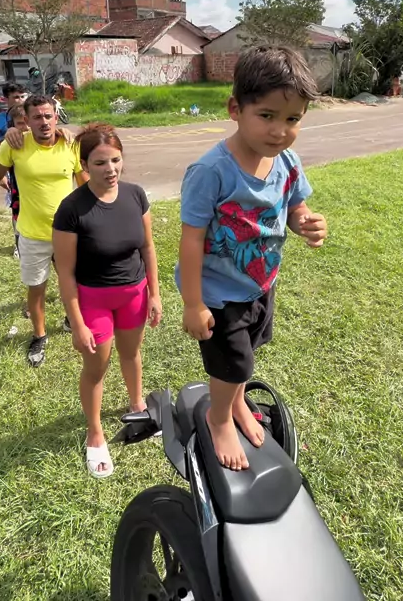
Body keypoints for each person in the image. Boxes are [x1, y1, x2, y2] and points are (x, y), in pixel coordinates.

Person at [176, 46, 328, 471]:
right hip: (219, 295)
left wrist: (305, 222)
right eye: (267, 115)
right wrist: (193, 303)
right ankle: (219, 417)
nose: (280, 131)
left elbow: (294, 207)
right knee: (232, 363)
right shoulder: (211, 171)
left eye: (293, 119)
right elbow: (191, 240)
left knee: (249, 353)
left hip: (261, 283)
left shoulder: (287, 162)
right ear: (235, 109)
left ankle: (238, 402)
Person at [52, 124, 162, 478]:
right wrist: (77, 323)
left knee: (131, 353)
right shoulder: (72, 209)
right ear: (84, 165)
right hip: (94, 300)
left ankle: (138, 406)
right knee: (96, 367)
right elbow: (65, 272)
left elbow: (148, 247)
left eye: (115, 160)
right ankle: (95, 433)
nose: (110, 169)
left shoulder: (135, 195)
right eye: (100, 163)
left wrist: (155, 293)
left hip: (134, 293)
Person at [0, 95, 88, 367]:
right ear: (27, 120)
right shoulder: (15, 144)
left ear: (56, 117)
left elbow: (85, 183)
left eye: (48, 116)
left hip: (67, 233)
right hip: (32, 234)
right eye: (37, 117)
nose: (44, 122)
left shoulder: (70, 144)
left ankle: (71, 320)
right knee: (36, 288)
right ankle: (39, 336)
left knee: (73, 281)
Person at [0, 82, 28, 257]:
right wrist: (1, 176)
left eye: (23, 96)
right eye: (16, 97)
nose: (20, 100)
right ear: (6, 99)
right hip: (13, 171)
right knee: (17, 208)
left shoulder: (33, 113)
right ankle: (19, 244)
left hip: (33, 168)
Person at [4, 103, 30, 260]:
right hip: (18, 189)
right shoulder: (12, 141)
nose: (25, 127)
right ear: (11, 125)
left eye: (27, 122)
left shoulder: (40, 138)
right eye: (20, 123)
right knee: (18, 217)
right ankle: (18, 244)